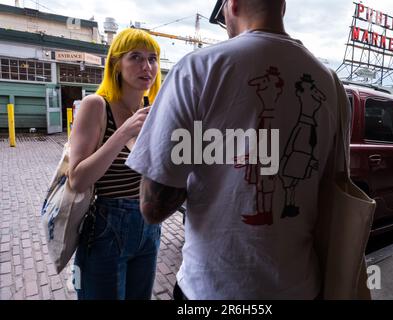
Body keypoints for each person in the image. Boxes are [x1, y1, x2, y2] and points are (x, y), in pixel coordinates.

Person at [127, 0, 349, 299]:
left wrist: (202, 153)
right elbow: (331, 192)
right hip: (300, 288)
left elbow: (153, 208)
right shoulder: (332, 85)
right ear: (282, 6)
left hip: (212, 289)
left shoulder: (197, 69)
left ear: (232, 5)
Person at [68, 28, 162, 300]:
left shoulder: (151, 110)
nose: (147, 67)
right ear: (116, 64)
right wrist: (124, 133)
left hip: (150, 228)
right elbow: (77, 179)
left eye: (153, 58)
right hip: (107, 229)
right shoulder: (96, 105)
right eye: (135, 57)